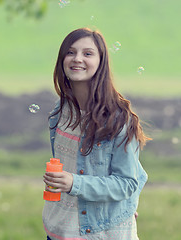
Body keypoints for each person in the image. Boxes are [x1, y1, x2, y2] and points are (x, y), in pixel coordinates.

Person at [42, 27, 151, 240]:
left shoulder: (117, 119)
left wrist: (75, 183)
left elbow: (129, 181)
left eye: (88, 53)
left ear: (101, 62)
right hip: (59, 231)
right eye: (71, 52)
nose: (77, 59)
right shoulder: (59, 111)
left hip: (100, 233)